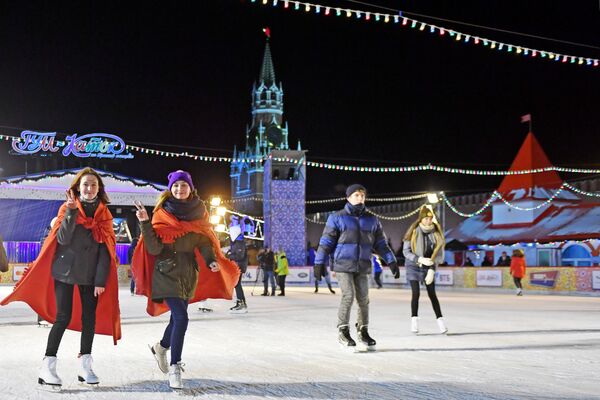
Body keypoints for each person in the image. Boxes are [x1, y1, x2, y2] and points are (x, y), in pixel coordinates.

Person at [1, 167, 121, 388]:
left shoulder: (104, 215)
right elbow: (63, 239)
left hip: (90, 275)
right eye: (85, 184)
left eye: (94, 184)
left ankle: (85, 366)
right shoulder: (68, 207)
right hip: (65, 271)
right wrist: (72, 211)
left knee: (89, 320)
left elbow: (107, 250)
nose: (89, 188)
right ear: (77, 187)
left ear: (99, 189)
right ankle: (48, 365)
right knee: (62, 318)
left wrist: (100, 280)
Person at [131, 170, 239, 390]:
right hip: (165, 273)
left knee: (178, 317)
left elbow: (204, 241)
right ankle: (175, 367)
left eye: (184, 185)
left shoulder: (199, 213)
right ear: (170, 189)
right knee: (181, 318)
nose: (180, 189)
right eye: (176, 186)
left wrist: (210, 260)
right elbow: (153, 248)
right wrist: (145, 223)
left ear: (191, 189)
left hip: (189, 274)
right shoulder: (162, 214)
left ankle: (161, 347)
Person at [315, 184, 397, 351]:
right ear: (348, 197)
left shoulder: (372, 220)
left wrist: (391, 260)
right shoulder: (337, 218)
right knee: (348, 296)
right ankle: (343, 330)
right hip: (343, 264)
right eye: (356, 195)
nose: (360, 198)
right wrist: (319, 263)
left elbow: (381, 244)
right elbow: (326, 242)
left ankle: (363, 331)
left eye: (362, 195)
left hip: (363, 264)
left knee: (364, 299)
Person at [403, 205, 447, 335]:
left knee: (432, 294)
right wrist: (419, 259)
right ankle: (414, 322)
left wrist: (432, 269)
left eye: (430, 218)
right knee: (416, 293)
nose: (429, 220)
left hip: (429, 265)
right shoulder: (413, 231)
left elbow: (438, 254)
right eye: (426, 218)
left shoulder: (436, 234)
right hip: (413, 265)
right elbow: (406, 252)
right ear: (421, 219)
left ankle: (441, 322)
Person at [228, 225, 248, 313]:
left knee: (237, 284)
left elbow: (240, 256)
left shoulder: (239, 243)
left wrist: (229, 255)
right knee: (237, 284)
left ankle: (241, 303)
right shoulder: (237, 242)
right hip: (237, 265)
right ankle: (241, 302)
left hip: (239, 266)